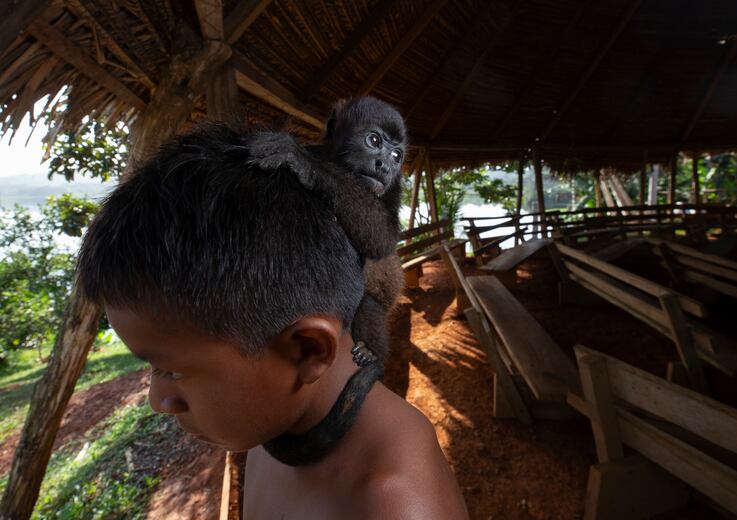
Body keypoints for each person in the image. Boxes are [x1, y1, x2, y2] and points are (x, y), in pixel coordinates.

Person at [77, 123, 468, 519]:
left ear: (308, 350)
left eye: (171, 371)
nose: (157, 401)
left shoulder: (394, 504)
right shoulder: (275, 427)